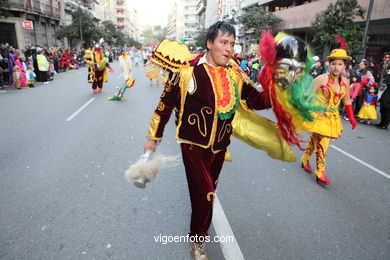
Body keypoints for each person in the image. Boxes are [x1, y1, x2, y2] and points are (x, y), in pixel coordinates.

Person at [143, 21, 271, 260]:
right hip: (193, 144)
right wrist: (153, 137)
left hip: (220, 146)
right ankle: (197, 240)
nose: (229, 48)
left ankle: (199, 230)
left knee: (208, 194)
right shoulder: (186, 72)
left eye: (232, 44)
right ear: (209, 43)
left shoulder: (235, 73)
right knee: (206, 194)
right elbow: (164, 107)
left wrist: (279, 94)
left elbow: (255, 100)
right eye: (224, 42)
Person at [301, 42, 357, 185]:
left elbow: (347, 100)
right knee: (323, 142)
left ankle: (305, 159)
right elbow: (308, 95)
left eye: (339, 64)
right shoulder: (321, 79)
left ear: (344, 66)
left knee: (316, 139)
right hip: (318, 115)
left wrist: (351, 118)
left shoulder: (345, 82)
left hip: (332, 117)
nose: (336, 67)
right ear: (329, 64)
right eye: (333, 64)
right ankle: (320, 172)